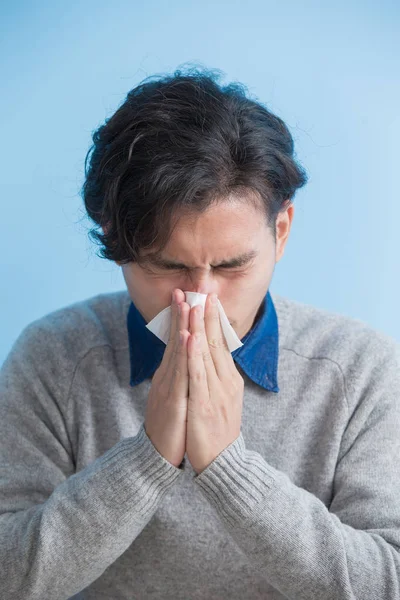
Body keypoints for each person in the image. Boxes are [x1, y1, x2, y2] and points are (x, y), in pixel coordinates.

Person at [1, 67, 400, 600]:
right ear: (115, 243)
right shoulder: (53, 357)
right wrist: (147, 459)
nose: (198, 299)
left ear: (280, 232)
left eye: (232, 266)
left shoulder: (360, 369)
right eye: (166, 267)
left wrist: (227, 466)